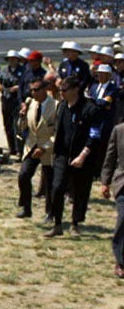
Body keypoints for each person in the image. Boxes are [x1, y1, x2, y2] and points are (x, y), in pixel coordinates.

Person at [46, 76, 101, 237]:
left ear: (76, 89)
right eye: (60, 90)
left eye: (65, 90)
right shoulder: (62, 107)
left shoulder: (90, 109)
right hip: (63, 154)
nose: (61, 93)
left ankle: (75, 223)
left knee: (79, 191)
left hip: (83, 156)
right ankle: (57, 224)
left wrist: (83, 156)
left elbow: (95, 135)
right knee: (57, 187)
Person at [16, 78, 57, 220]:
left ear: (45, 89)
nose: (34, 93)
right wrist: (21, 117)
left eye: (37, 89)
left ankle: (50, 212)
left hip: (48, 149)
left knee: (49, 183)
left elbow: (59, 133)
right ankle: (26, 208)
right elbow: (23, 128)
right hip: (31, 145)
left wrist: (45, 147)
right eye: (31, 90)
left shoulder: (56, 105)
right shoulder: (30, 104)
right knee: (23, 175)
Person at [99, 121, 124, 279]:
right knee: (123, 218)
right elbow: (110, 157)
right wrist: (104, 182)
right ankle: (120, 261)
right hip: (123, 183)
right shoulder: (119, 130)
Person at [0, 49, 25, 158]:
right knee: (7, 125)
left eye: (14, 59)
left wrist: (16, 88)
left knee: (17, 125)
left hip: (16, 100)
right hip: (6, 99)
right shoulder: (4, 70)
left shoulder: (23, 70)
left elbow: (24, 83)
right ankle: (11, 148)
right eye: (10, 59)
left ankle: (19, 149)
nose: (12, 61)